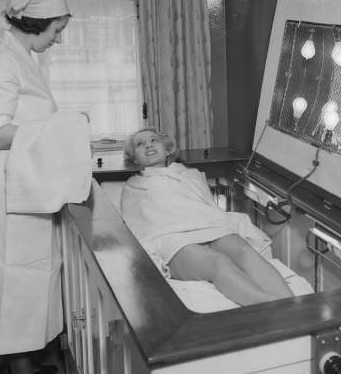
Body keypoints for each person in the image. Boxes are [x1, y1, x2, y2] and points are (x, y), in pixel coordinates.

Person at [0, 0, 72, 374]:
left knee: (36, 275)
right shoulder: (0, 60)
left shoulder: (19, 57)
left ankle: (27, 359)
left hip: (27, 184)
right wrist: (57, 137)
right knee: (16, 280)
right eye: (57, 29)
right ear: (37, 23)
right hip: (6, 190)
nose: (59, 38)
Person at [120, 127, 292, 306]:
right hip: (171, 240)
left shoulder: (191, 176)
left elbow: (206, 210)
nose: (149, 145)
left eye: (153, 140)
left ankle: (293, 304)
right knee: (218, 262)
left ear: (167, 148)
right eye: (140, 144)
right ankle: (274, 307)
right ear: (134, 158)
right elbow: (139, 228)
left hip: (209, 227)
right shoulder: (135, 188)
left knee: (245, 251)